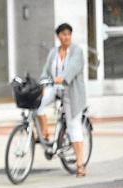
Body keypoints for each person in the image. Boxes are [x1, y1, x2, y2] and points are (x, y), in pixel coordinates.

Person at [38, 23, 87, 177]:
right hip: (55, 88)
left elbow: (72, 68)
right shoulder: (53, 52)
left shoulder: (77, 52)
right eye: (63, 34)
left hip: (71, 91)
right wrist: (43, 82)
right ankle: (44, 132)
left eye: (68, 34)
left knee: (73, 126)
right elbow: (46, 71)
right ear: (58, 36)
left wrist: (63, 77)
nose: (66, 37)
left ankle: (80, 163)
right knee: (36, 104)